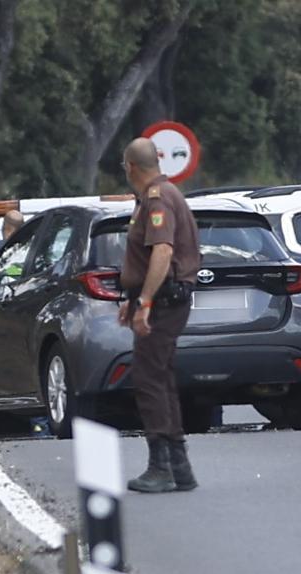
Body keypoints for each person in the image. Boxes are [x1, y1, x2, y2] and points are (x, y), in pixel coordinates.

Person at [118, 137, 201, 493]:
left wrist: (146, 302)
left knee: (148, 378)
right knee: (161, 377)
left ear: (131, 166)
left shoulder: (158, 198)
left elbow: (162, 252)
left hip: (164, 301)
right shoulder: (162, 195)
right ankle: (179, 466)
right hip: (162, 298)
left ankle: (160, 467)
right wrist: (133, 296)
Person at [0, 210, 51, 441]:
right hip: (24, 323)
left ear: (4, 229)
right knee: (29, 372)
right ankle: (40, 427)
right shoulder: (36, 253)